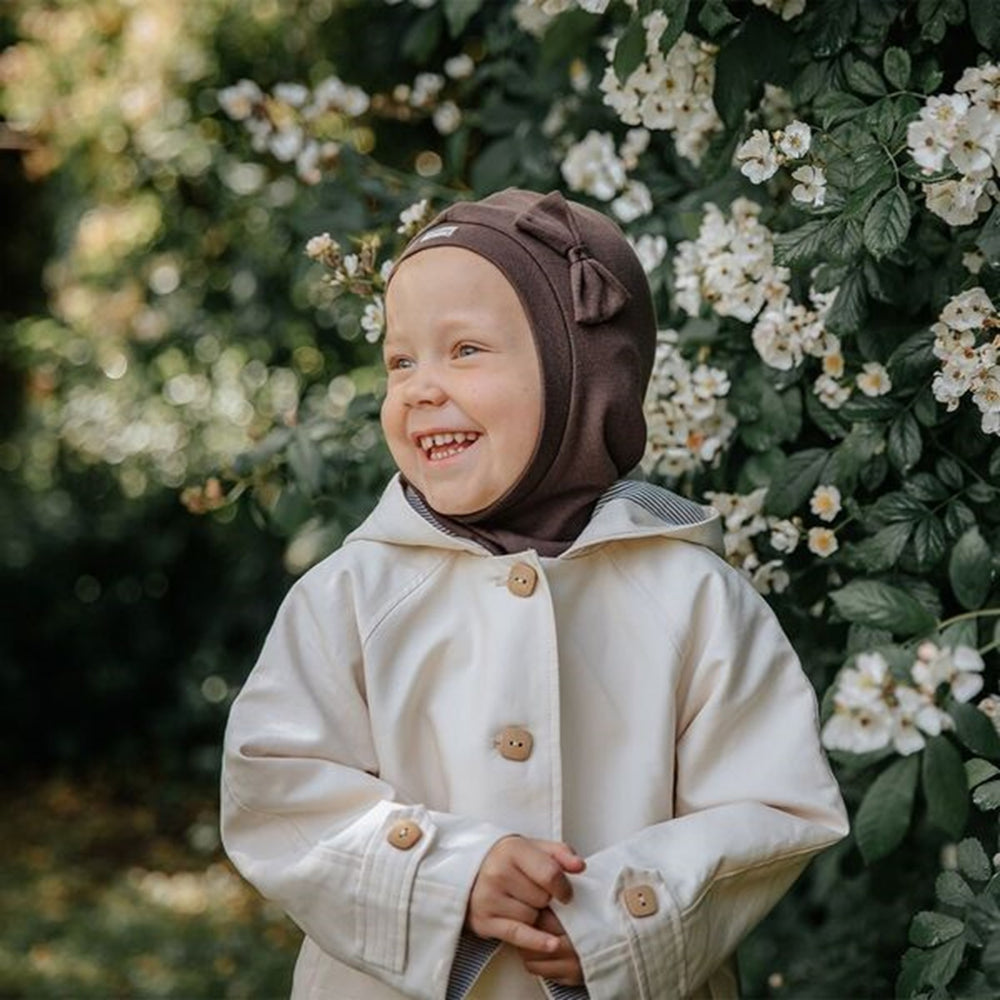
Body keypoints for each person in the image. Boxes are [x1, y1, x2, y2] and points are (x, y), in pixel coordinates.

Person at [220, 188, 848, 1000]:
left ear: (582, 378)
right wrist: (447, 876)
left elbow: (772, 805)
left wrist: (623, 917)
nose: (419, 388)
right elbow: (277, 792)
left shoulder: (695, 598)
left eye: (465, 350)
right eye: (401, 361)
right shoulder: (349, 595)